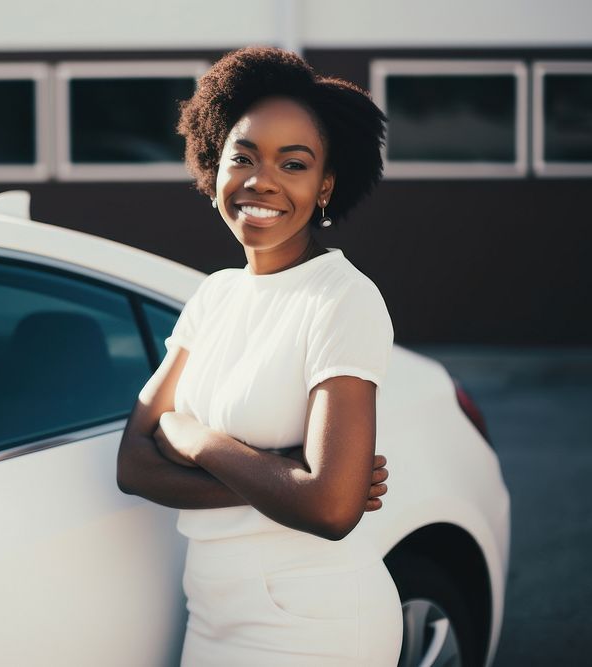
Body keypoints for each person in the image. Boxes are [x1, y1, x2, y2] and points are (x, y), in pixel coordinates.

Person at [116, 46, 401, 666]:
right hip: (211, 608)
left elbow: (328, 510)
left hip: (312, 616)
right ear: (212, 167)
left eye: (292, 164)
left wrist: (196, 441)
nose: (260, 181)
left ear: (325, 185)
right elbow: (134, 465)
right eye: (241, 157)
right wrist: (280, 475)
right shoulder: (215, 294)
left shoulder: (342, 299)